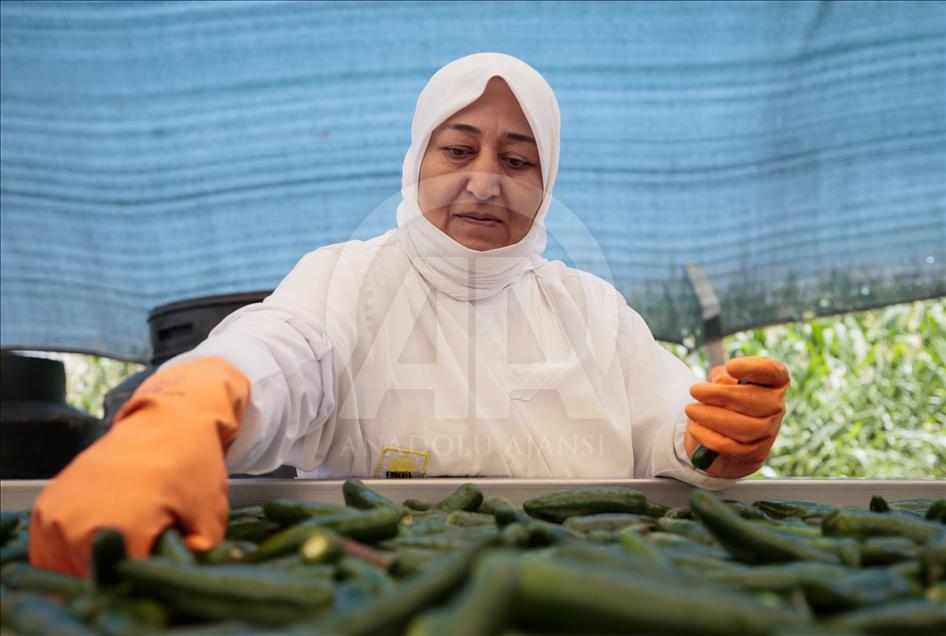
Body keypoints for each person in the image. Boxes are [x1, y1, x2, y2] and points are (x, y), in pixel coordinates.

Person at [29, 53, 789, 576]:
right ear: (416, 161)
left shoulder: (591, 308)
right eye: (458, 151)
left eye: (518, 161)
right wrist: (192, 403)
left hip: (585, 589)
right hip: (383, 589)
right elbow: (282, 349)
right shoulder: (349, 279)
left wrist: (711, 440)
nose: (486, 184)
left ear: (547, 181)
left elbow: (669, 428)